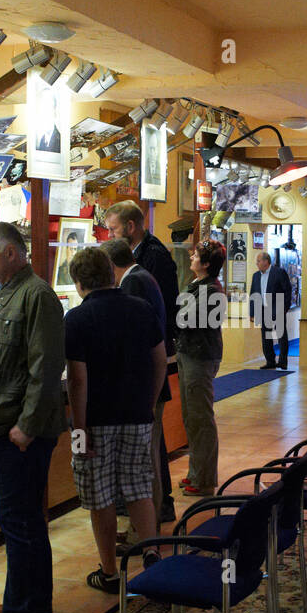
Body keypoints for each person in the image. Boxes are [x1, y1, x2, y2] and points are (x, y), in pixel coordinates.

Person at [0, 221, 68, 613]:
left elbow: (45, 369)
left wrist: (26, 425)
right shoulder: (4, 295)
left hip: (19, 431)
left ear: (12, 253)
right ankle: (32, 597)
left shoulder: (37, 296)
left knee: (18, 522)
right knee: (24, 518)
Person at [64, 247, 168, 592]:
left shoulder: (76, 320)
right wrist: (150, 405)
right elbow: (159, 362)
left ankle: (109, 571)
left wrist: (79, 430)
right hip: (137, 415)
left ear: (79, 282)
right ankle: (151, 554)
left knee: (101, 497)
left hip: (96, 421)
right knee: (139, 488)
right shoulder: (142, 310)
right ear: (111, 273)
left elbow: (78, 380)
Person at [105, 200, 179, 519]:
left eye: (112, 229)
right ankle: (154, 514)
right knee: (148, 450)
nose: (109, 233)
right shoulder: (142, 265)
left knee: (145, 454)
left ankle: (150, 520)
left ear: (130, 227)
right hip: (151, 369)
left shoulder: (148, 264)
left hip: (146, 372)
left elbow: (149, 325)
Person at [175, 239, 226, 496]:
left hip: (200, 356)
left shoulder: (211, 290)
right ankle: (195, 471)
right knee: (191, 418)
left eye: (195, 256)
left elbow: (187, 320)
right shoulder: (198, 285)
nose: (191, 258)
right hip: (188, 353)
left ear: (206, 264)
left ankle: (204, 479)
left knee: (201, 419)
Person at [250, 251, 290, 369]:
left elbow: (287, 290)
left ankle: (282, 361)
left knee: (281, 335)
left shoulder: (279, 273)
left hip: (277, 307)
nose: (257, 263)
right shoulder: (256, 276)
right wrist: (253, 312)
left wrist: (285, 308)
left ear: (266, 261)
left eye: (258, 261)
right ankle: (270, 361)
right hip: (263, 309)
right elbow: (253, 294)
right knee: (266, 336)